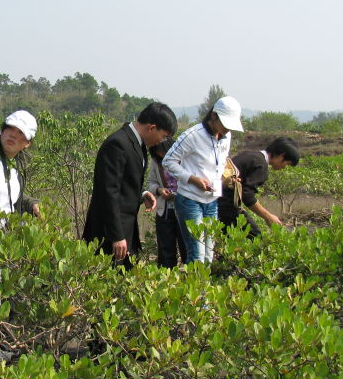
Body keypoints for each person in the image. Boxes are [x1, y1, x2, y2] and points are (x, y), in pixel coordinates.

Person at [82, 103, 177, 269]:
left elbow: (124, 183)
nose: (161, 142)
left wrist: (143, 193)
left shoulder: (137, 144)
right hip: (108, 234)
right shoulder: (117, 144)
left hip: (126, 230)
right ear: (152, 128)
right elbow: (108, 192)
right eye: (163, 136)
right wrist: (116, 236)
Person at [163, 96, 243, 264]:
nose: (228, 130)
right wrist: (193, 179)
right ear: (213, 116)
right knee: (197, 255)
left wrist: (227, 176)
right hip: (190, 200)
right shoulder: (192, 135)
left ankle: (205, 289)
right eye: (225, 124)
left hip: (212, 200)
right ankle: (196, 289)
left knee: (208, 255)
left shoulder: (225, 137)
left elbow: (221, 161)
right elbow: (168, 161)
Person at [217, 136, 300, 237]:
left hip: (215, 203)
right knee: (256, 239)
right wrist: (268, 216)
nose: (283, 168)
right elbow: (247, 196)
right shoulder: (261, 166)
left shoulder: (250, 155)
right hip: (226, 208)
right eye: (286, 164)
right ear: (281, 156)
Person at [146, 137, 187, 268]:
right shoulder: (155, 162)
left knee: (187, 247)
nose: (161, 155)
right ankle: (166, 280)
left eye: (163, 151)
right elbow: (151, 183)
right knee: (165, 249)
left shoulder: (185, 159)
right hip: (164, 210)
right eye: (158, 152)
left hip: (184, 209)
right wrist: (159, 190)